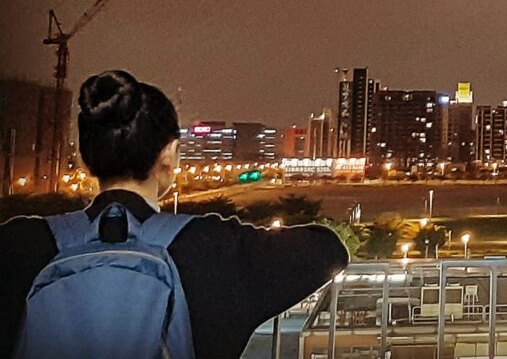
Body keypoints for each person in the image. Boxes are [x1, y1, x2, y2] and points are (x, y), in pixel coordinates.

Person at [0, 70, 349, 358]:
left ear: (82, 156)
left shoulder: (19, 244)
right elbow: (328, 249)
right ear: (170, 155)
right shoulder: (215, 248)